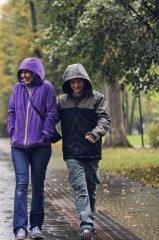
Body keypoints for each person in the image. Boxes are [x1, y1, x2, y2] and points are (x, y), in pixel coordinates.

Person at [58, 63, 111, 240]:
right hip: (72, 152)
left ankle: (89, 220)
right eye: (72, 82)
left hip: (91, 151)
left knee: (90, 189)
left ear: (85, 81)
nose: (76, 85)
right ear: (68, 83)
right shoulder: (62, 101)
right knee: (80, 188)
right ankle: (86, 226)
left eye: (79, 81)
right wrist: (49, 135)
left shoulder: (97, 98)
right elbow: (50, 118)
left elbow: (104, 118)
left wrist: (96, 133)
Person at [7, 57, 58, 240]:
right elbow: (11, 110)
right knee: (21, 184)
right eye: (22, 72)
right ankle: (20, 228)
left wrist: (45, 133)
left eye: (27, 72)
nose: (24, 75)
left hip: (41, 147)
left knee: (37, 185)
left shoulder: (47, 87)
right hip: (18, 147)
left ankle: (36, 226)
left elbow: (52, 112)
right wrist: (11, 130)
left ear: (36, 72)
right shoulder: (17, 88)